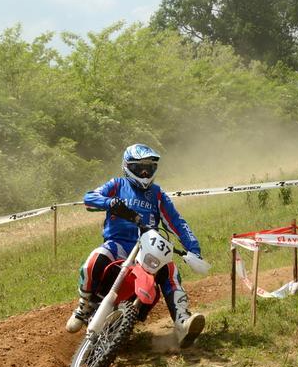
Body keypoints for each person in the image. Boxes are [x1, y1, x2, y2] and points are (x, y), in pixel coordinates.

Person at [65, 143, 206, 348]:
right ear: (127, 167)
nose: (144, 172)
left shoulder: (158, 194)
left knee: (170, 270)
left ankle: (183, 322)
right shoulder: (117, 185)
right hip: (117, 245)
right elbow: (89, 198)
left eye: (149, 167)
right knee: (94, 260)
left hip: (146, 248)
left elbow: (177, 222)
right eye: (139, 167)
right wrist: (109, 202)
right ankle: (84, 306)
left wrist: (194, 249)